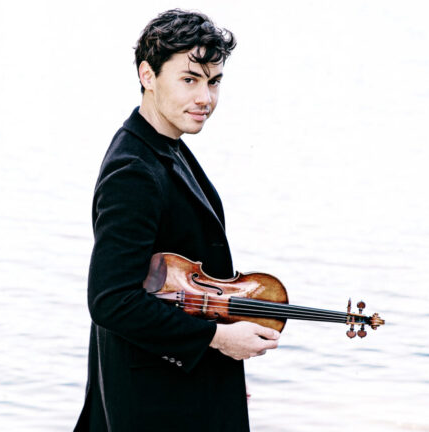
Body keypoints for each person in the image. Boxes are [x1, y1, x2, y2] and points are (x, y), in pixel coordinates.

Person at [74, 9, 280, 432]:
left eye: (214, 81)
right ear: (147, 75)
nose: (205, 97)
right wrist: (218, 340)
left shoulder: (166, 145)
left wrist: (217, 365)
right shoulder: (133, 170)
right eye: (189, 79)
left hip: (180, 382)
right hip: (154, 403)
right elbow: (111, 300)